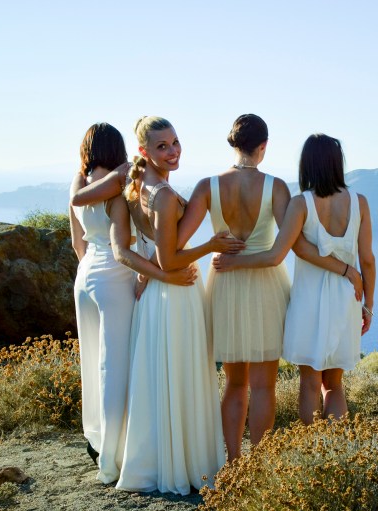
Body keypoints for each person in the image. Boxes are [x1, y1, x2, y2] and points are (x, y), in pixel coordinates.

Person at [176, 115, 361, 460]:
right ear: (263, 147)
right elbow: (293, 246)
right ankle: (259, 462)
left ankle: (232, 463)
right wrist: (345, 268)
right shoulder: (276, 188)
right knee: (263, 386)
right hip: (266, 288)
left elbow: (176, 244)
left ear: (231, 143)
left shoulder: (206, 186)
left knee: (233, 384)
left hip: (225, 283)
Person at [101, 116, 239, 495]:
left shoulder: (137, 186)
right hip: (176, 294)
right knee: (182, 374)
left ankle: (163, 460)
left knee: (165, 376)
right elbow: (169, 260)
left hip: (160, 296)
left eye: (175, 142)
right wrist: (211, 246)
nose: (173, 151)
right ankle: (186, 464)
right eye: (162, 146)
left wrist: (151, 273)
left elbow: (142, 252)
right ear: (145, 151)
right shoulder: (160, 193)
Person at [213, 133, 376, 425]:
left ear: (306, 164)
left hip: (309, 300)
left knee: (310, 384)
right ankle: (338, 454)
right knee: (335, 385)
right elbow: (368, 260)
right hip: (347, 297)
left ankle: (309, 455)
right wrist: (369, 304)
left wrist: (233, 262)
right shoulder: (359, 202)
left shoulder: (301, 203)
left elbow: (282, 252)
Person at [69, 123, 197, 484]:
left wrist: (87, 271)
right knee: (117, 369)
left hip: (85, 277)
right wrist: (162, 275)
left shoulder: (79, 182)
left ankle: (96, 439)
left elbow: (77, 240)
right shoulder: (119, 184)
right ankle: (112, 458)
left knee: (93, 363)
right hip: (115, 279)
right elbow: (120, 248)